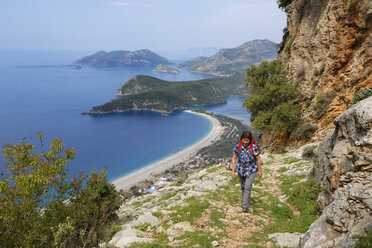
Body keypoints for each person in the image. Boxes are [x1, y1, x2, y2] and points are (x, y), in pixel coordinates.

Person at [231, 131, 262, 212]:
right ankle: (246, 199)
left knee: (247, 187)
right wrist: (233, 171)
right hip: (241, 169)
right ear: (241, 139)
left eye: (247, 140)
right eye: (244, 140)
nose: (245, 142)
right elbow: (234, 158)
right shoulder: (238, 147)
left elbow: (258, 159)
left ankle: (245, 207)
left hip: (251, 170)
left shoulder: (253, 147)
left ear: (250, 140)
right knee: (243, 187)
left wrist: (260, 171)